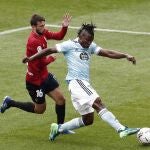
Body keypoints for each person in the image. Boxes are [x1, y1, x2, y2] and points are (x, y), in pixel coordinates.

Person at [22, 23, 140, 141]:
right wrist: (31, 58)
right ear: (81, 36)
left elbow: (108, 53)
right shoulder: (69, 45)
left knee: (88, 119)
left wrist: (125, 55)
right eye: (87, 40)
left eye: (91, 41)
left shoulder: (90, 46)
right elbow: (49, 50)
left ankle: (58, 128)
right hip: (77, 82)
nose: (89, 44)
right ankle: (121, 129)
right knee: (98, 102)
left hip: (81, 84)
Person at [0, 14, 72, 125]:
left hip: (45, 76)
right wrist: (51, 58)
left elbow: (59, 36)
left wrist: (65, 27)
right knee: (40, 110)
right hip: (35, 82)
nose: (43, 28)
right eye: (41, 26)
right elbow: (39, 64)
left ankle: (60, 128)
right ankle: (10, 102)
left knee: (61, 99)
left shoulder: (42, 33)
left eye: (44, 25)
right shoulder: (33, 41)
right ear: (33, 27)